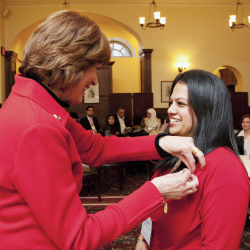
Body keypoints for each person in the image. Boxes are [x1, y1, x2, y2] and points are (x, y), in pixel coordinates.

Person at [0, 10, 205, 250]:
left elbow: (95, 148)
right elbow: (79, 237)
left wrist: (162, 142)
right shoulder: (37, 126)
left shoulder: (35, 102)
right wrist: (154, 192)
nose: (96, 81)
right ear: (71, 64)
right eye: (96, 68)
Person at [135, 70, 250, 250]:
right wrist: (142, 240)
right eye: (171, 102)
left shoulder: (225, 168)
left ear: (206, 110)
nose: (170, 110)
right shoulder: (179, 155)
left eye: (180, 103)